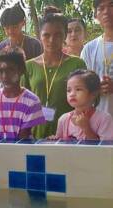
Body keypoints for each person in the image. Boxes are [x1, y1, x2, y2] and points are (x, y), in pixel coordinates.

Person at [22, 9, 86, 139]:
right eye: (46, 35)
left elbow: (86, 101)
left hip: (69, 135)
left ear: (64, 36)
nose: (52, 40)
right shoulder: (28, 66)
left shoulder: (77, 64)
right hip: (35, 135)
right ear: (39, 35)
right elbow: (23, 104)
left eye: (58, 35)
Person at [0, 47, 45, 139]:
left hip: (23, 151)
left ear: (21, 70)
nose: (4, 76)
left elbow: (23, 139)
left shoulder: (32, 101)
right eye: (0, 71)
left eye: (10, 70)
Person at [49, 69, 113, 140]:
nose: (72, 94)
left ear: (93, 93)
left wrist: (86, 128)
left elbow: (105, 149)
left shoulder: (104, 119)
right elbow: (60, 147)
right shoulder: (63, 119)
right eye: (69, 90)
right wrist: (54, 140)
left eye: (78, 89)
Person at [81, 0, 113, 117]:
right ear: (96, 15)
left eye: (111, 5)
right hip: (96, 123)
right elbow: (80, 85)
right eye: (101, 8)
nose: (106, 12)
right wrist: (95, 87)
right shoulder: (89, 49)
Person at [0, 3, 42, 71]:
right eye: (7, 28)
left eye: (15, 27)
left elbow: (41, 70)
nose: (10, 31)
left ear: (23, 23)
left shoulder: (35, 45)